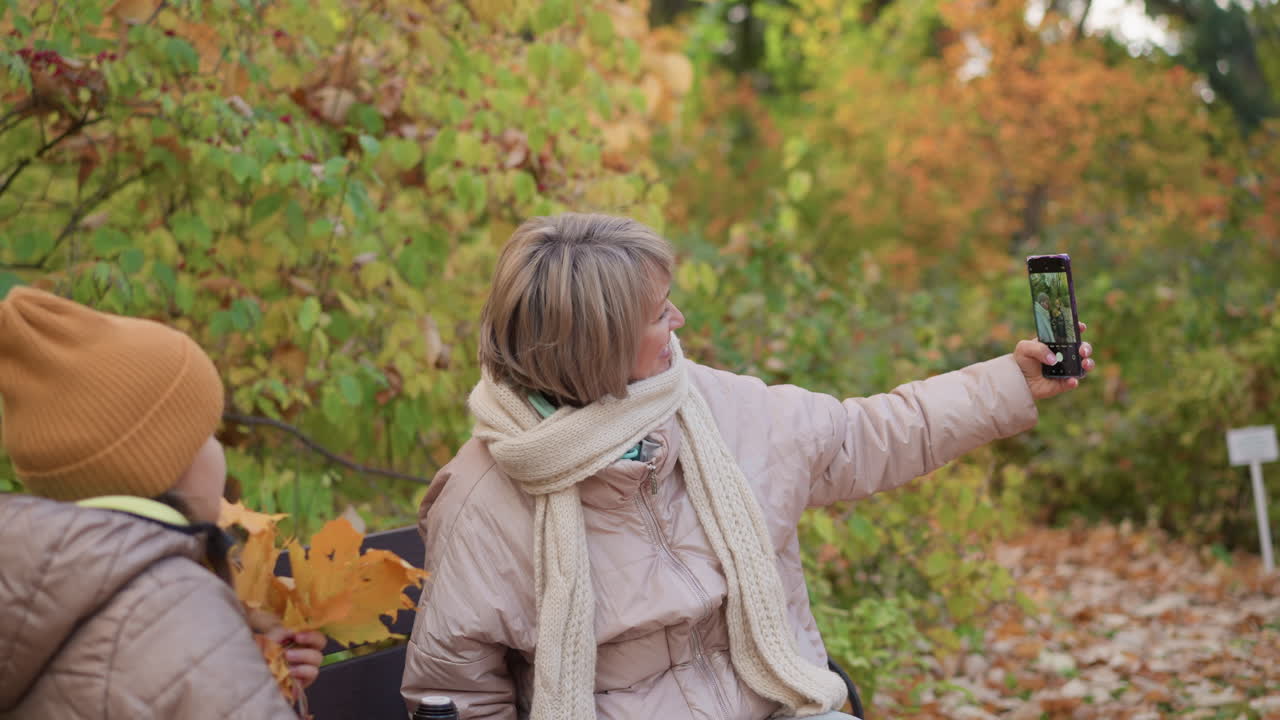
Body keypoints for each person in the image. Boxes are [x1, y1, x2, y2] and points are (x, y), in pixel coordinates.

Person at [400, 213, 1095, 720]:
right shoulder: (484, 497)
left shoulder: (710, 405)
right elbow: (457, 693)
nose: (678, 318)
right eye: (655, 312)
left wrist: (1010, 382)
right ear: (595, 347)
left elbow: (865, 434)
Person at [0, 287, 326, 719]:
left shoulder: (33, 586)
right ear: (166, 462)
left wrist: (258, 679)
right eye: (208, 433)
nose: (218, 449)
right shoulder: (176, 606)